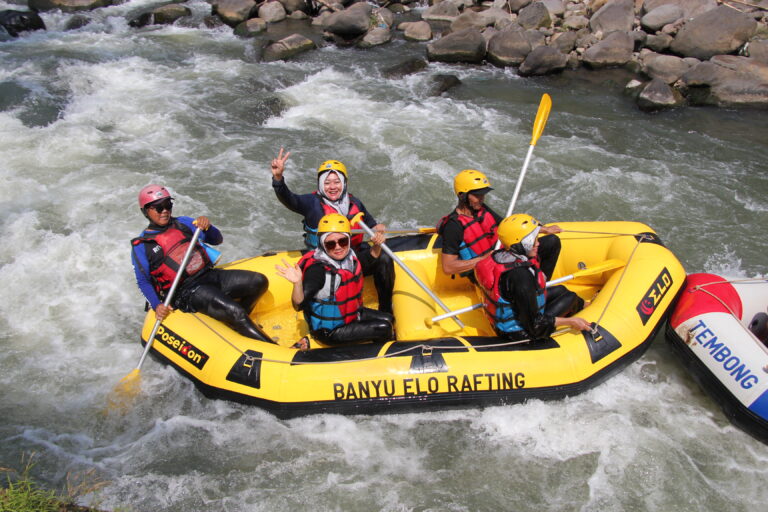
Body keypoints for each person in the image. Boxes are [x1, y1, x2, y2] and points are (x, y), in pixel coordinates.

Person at [131, 184, 272, 342]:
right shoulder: (143, 245)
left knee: (259, 281)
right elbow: (143, 281)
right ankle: (272, 347)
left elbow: (217, 239)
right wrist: (157, 305)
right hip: (186, 292)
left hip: (209, 275)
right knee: (236, 311)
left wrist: (208, 227)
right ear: (146, 212)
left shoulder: (183, 223)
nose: (164, 210)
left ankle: (236, 324)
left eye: (167, 205)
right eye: (158, 208)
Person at [270, 148, 394, 313]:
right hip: (324, 262)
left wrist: (378, 229)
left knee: (384, 257)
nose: (332, 187)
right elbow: (290, 199)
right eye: (327, 183)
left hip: (351, 255)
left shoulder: (354, 202)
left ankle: (385, 308)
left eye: (337, 182)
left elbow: (371, 224)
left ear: (344, 183)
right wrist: (278, 178)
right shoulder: (311, 203)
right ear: (321, 184)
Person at [275, 213, 394, 348]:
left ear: (348, 240)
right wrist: (297, 283)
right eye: (331, 244)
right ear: (322, 244)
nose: (338, 247)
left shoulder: (350, 257)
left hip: (353, 315)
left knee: (389, 319)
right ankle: (377, 356)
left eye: (342, 241)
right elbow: (299, 304)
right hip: (330, 331)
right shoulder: (318, 270)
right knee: (384, 328)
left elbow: (369, 258)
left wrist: (377, 244)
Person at [474, 213, 591, 341]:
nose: (538, 244)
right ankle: (586, 307)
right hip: (518, 333)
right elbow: (535, 325)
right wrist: (571, 322)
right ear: (520, 243)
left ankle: (584, 305)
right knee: (570, 298)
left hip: (511, 315)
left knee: (561, 290)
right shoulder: (520, 276)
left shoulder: (500, 255)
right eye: (533, 240)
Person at [437, 169, 562, 280]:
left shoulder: (481, 209)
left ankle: (542, 284)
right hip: (485, 272)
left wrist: (543, 229)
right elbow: (448, 267)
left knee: (552, 241)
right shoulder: (454, 226)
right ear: (462, 195)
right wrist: (483, 259)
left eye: (483, 194)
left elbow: (507, 227)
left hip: (503, 257)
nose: (481, 198)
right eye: (477, 195)